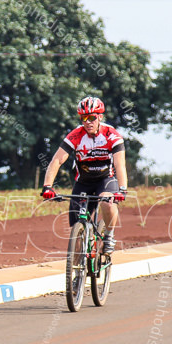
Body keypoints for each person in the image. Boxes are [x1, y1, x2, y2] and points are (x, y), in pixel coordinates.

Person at [40, 96, 127, 254]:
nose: (88, 122)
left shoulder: (112, 136)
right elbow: (57, 161)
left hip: (105, 180)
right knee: (76, 234)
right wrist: (47, 186)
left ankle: (109, 235)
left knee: (107, 202)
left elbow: (119, 164)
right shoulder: (76, 135)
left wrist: (122, 189)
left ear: (100, 117)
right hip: (83, 182)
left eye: (92, 117)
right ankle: (77, 273)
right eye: (84, 118)